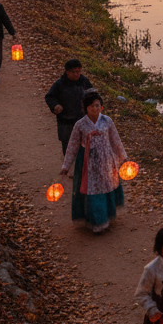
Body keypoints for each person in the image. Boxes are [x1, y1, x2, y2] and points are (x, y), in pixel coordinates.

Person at [59, 89, 128, 233]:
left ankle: (107, 217)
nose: (95, 109)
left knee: (106, 187)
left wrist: (123, 157)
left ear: (101, 107)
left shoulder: (107, 121)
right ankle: (97, 222)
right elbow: (72, 145)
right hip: (88, 163)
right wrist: (66, 165)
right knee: (93, 190)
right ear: (85, 109)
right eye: (92, 106)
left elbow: (115, 140)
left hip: (106, 160)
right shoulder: (80, 125)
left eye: (97, 106)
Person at [45, 58, 95, 154]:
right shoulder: (59, 84)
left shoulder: (84, 82)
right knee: (68, 146)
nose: (76, 74)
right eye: (73, 72)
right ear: (67, 72)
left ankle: (82, 166)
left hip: (82, 120)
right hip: (65, 121)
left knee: (85, 145)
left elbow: (92, 95)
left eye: (78, 71)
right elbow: (49, 97)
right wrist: (55, 106)